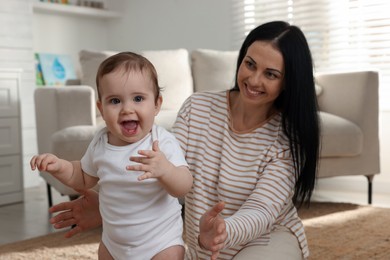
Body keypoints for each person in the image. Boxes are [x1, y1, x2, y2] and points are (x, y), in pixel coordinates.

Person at [48, 21, 320, 260]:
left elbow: (262, 211)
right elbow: (164, 171)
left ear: (288, 82)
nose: (253, 79)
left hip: (265, 239)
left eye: (270, 74)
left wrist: (223, 230)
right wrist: (111, 208)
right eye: (250, 64)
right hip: (202, 246)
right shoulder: (198, 107)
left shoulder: (286, 139)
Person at [30, 52, 193, 260]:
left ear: (156, 104)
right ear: (101, 108)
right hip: (114, 244)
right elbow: (82, 176)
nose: (127, 109)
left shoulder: (161, 142)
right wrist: (59, 166)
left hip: (160, 243)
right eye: (115, 101)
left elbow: (184, 185)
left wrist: (166, 170)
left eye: (138, 98)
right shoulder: (101, 142)